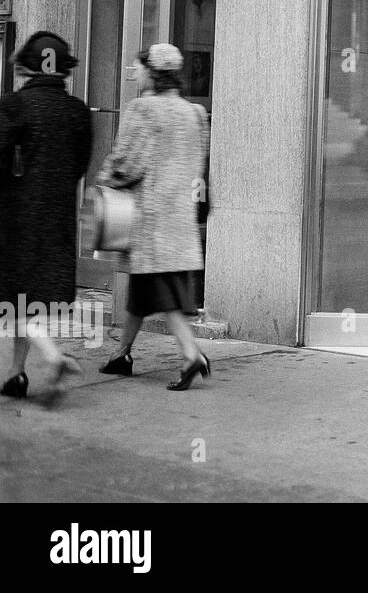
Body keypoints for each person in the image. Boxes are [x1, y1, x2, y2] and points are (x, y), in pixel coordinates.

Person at [97, 45, 213, 391]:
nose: (137, 73)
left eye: (140, 68)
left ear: (151, 72)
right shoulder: (194, 113)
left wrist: (105, 178)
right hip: (180, 219)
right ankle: (122, 354)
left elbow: (127, 164)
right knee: (145, 289)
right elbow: (198, 165)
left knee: (161, 293)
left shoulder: (142, 109)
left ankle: (192, 355)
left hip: (150, 219)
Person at [0, 32, 92, 402]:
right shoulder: (76, 111)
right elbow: (80, 163)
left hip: (16, 216)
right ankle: (16, 374)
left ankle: (53, 357)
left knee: (9, 295)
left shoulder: (15, 105)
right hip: (56, 216)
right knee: (24, 297)